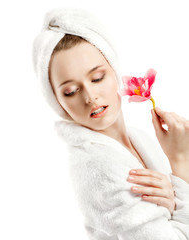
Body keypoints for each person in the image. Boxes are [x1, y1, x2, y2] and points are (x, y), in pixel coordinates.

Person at [32, 8, 189, 239]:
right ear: (58, 102)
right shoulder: (99, 168)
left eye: (97, 78)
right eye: (71, 91)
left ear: (115, 72)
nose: (89, 96)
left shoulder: (139, 139)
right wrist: (180, 160)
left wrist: (174, 199)